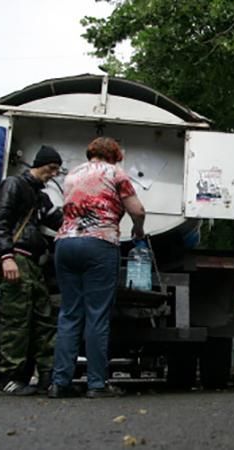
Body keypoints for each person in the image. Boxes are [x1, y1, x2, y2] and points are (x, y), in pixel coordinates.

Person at [48, 137, 146, 398]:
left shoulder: (72, 174)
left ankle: (60, 382)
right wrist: (138, 230)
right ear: (114, 155)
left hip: (65, 244)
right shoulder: (115, 173)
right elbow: (137, 210)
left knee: (69, 314)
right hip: (99, 244)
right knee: (97, 315)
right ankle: (96, 384)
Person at [0, 145, 64, 395]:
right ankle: (9, 378)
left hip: (34, 263)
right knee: (17, 320)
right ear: (39, 164)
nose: (53, 174)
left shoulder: (40, 197)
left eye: (57, 170)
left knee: (43, 319)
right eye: (51, 168)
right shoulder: (13, 185)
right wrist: (6, 257)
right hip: (17, 259)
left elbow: (60, 222)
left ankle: (47, 375)